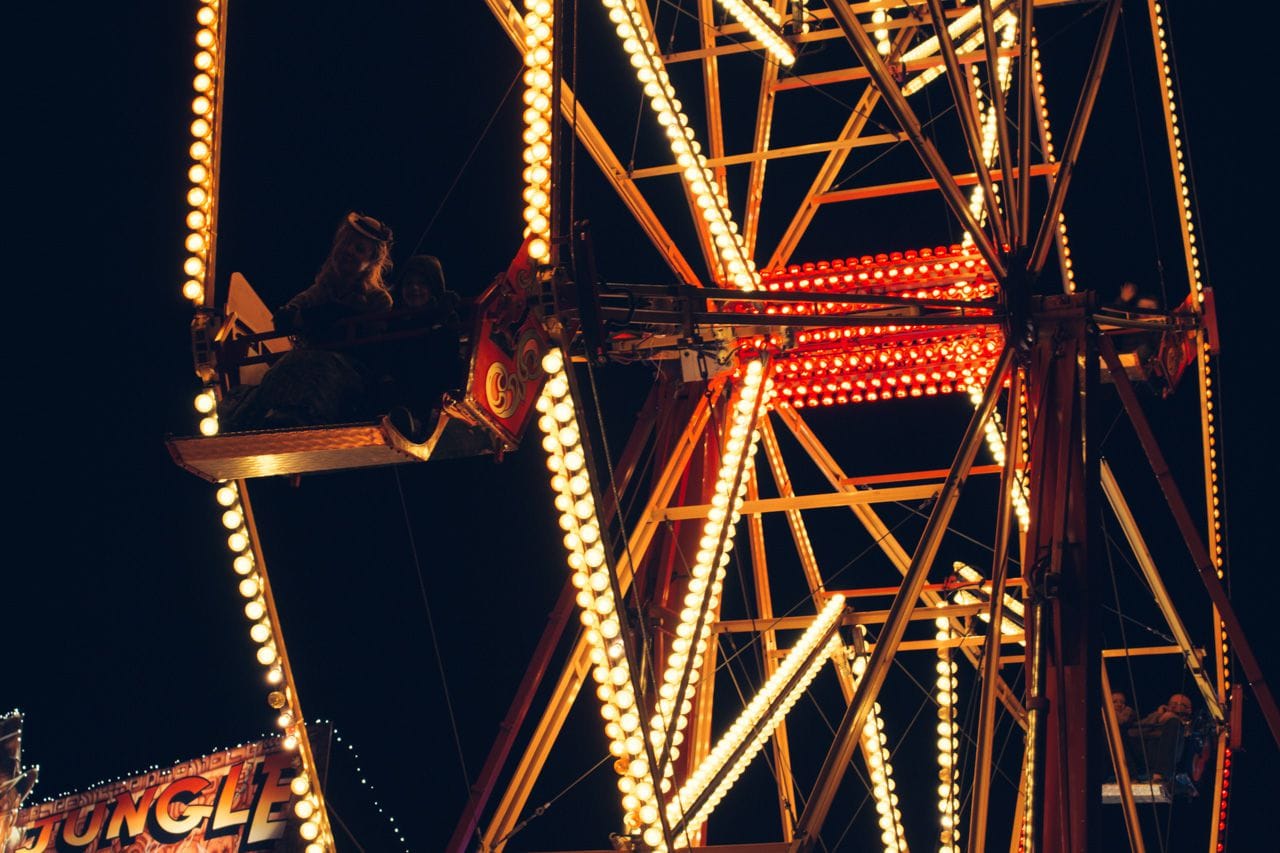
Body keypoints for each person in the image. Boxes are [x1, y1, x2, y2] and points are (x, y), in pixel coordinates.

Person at [221, 212, 396, 430]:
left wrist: (323, 321)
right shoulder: (322, 290)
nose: (349, 251)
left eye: (359, 249)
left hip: (347, 373)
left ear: (371, 262)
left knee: (316, 366)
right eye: (347, 243)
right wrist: (312, 316)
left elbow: (370, 346)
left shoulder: (378, 299)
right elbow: (284, 317)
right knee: (283, 368)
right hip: (306, 362)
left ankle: (303, 420)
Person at [376, 255, 463, 442]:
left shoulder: (444, 314)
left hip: (432, 377)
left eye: (422, 284)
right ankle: (402, 417)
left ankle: (422, 419)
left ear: (432, 288)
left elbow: (448, 353)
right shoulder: (395, 318)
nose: (415, 289)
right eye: (409, 284)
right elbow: (387, 353)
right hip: (401, 378)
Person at [1125, 692, 1192, 785]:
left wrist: (1174, 719)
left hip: (1170, 759)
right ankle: (1131, 777)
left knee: (1174, 722)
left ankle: (1160, 775)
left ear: (1188, 709)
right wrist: (1158, 716)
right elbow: (1133, 732)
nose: (1173, 706)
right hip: (1146, 754)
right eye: (1172, 704)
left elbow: (1185, 734)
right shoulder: (1157, 716)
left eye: (1179, 704)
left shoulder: (1186, 723)